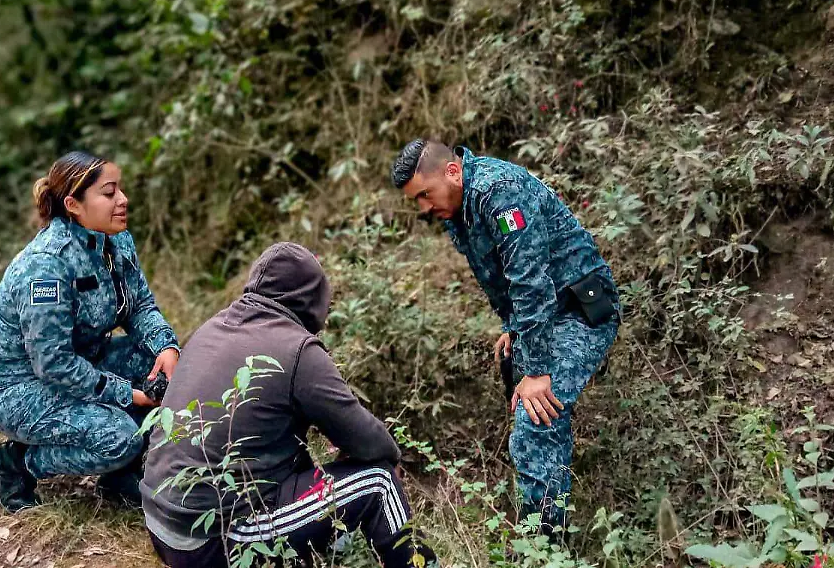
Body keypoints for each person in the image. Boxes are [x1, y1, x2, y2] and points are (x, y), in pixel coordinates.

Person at [141, 242, 437, 568]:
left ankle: (334, 552)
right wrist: (391, 456)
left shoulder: (212, 327)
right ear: (313, 297)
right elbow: (365, 438)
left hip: (161, 523)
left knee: (295, 456)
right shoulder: (298, 350)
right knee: (379, 483)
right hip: (215, 541)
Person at [391, 139, 620, 535]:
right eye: (417, 201)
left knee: (534, 416)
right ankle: (548, 512)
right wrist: (514, 328)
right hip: (548, 312)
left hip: (581, 309)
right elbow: (501, 273)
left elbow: (531, 281)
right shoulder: (459, 206)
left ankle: (543, 545)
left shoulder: (499, 192)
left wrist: (537, 370)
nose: (424, 208)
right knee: (527, 397)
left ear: (452, 171)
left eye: (425, 195)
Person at [0, 151, 180, 513]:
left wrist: (166, 349)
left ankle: (121, 476)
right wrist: (126, 395)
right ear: (73, 205)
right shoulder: (46, 265)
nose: (123, 200)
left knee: (165, 369)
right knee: (119, 437)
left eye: (120, 190)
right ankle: (16, 464)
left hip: (81, 362)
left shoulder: (117, 241)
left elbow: (139, 306)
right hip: (12, 385)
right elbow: (53, 363)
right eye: (109, 193)